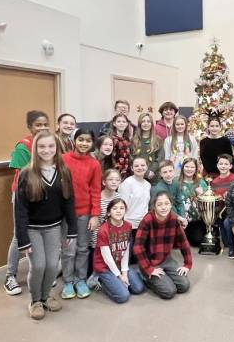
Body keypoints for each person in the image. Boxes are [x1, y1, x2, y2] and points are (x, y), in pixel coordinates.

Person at [15, 131, 77, 319]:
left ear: (57, 148)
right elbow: (20, 210)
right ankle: (35, 301)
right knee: (39, 266)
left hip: (54, 228)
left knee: (52, 265)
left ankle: (45, 296)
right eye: (42, 146)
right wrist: (23, 240)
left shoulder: (63, 171)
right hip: (32, 229)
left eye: (51, 146)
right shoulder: (27, 173)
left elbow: (69, 202)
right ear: (35, 149)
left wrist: (72, 231)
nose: (46, 150)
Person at [4, 110, 50, 296]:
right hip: (24, 195)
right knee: (19, 234)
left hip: (42, 194)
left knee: (42, 232)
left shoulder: (48, 144)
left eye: (46, 124)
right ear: (30, 127)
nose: (43, 128)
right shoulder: (23, 147)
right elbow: (25, 175)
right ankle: (10, 276)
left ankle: (41, 274)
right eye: (38, 125)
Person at [61, 129, 102, 300]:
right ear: (74, 140)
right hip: (65, 214)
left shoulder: (94, 164)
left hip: (85, 213)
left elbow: (95, 190)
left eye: (88, 140)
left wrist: (94, 215)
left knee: (83, 248)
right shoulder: (63, 160)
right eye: (81, 140)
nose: (84, 143)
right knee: (68, 250)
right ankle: (68, 281)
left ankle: (80, 280)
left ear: (92, 144)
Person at [133, 192, 193, 299]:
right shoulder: (147, 220)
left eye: (166, 203)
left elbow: (183, 241)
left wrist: (187, 264)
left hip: (166, 259)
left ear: (171, 205)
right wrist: (149, 269)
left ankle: (164, 276)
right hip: (150, 262)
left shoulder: (173, 219)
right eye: (159, 204)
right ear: (154, 207)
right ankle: (144, 276)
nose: (163, 207)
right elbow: (138, 247)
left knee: (184, 286)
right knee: (169, 292)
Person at [93, 198, 145, 303]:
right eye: (115, 208)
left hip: (120, 264)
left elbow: (125, 251)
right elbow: (107, 258)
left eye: (122, 208)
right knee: (123, 296)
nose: (118, 211)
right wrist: (119, 276)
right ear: (108, 212)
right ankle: (98, 279)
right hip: (105, 267)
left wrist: (124, 272)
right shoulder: (103, 230)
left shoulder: (128, 226)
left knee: (139, 289)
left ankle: (119, 280)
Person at [212, 154, 234, 258]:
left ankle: (233, 249)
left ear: (231, 166)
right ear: (217, 165)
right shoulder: (214, 182)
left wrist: (230, 196)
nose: (223, 166)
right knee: (226, 242)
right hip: (220, 212)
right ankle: (228, 243)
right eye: (221, 164)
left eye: (226, 164)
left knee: (227, 223)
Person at [176, 157, 207, 246]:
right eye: (187, 166)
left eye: (192, 167)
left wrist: (202, 195)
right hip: (181, 218)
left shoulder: (201, 182)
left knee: (197, 241)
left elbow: (208, 202)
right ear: (182, 168)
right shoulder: (176, 182)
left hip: (196, 219)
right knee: (178, 242)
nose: (189, 169)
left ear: (196, 169)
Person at [119, 157, 151, 238]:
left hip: (143, 224)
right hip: (129, 225)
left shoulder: (148, 185)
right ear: (132, 168)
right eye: (136, 166)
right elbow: (121, 205)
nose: (140, 168)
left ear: (147, 167)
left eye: (142, 165)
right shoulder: (127, 183)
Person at [131, 113, 164, 184]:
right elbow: (131, 157)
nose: (146, 124)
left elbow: (160, 158)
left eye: (148, 121)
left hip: (153, 176)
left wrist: (151, 171)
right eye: (143, 121)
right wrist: (143, 171)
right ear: (140, 124)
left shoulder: (158, 140)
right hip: (138, 176)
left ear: (152, 124)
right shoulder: (134, 140)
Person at [110, 113, 134, 179]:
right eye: (119, 121)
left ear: (127, 124)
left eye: (124, 122)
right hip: (115, 173)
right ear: (114, 124)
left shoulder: (127, 139)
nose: (121, 123)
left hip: (127, 172)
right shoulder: (111, 139)